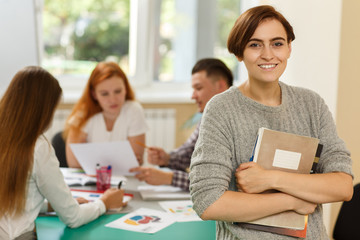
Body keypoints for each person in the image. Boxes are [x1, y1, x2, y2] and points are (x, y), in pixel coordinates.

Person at [189, 5, 353, 240]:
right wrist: (293, 199)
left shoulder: (311, 104)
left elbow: (343, 185)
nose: (268, 54)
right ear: (239, 52)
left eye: (277, 43)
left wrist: (270, 178)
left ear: (288, 48)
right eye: (255, 44)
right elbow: (208, 202)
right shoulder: (221, 109)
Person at [0, 66, 125, 240]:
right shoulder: (38, 147)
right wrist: (104, 203)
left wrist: (50, 206)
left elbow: (11, 202)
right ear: (44, 110)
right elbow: (73, 218)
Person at [130, 58, 233, 190]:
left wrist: (169, 178)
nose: (193, 96)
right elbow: (189, 152)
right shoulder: (208, 117)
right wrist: (166, 158)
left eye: (198, 88)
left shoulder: (233, 123)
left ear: (220, 86)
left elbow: (215, 184)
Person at [64, 61, 148, 168]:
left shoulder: (134, 110)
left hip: (126, 181)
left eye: (118, 91)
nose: (113, 99)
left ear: (125, 89)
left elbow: (136, 161)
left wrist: (96, 163)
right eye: (104, 94)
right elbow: (74, 163)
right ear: (94, 94)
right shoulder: (83, 113)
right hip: (93, 180)